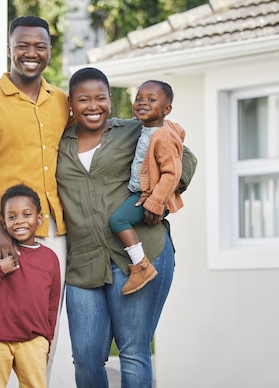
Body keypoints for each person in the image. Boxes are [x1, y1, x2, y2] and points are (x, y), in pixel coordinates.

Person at [0, 15, 73, 388]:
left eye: (40, 46)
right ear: (8, 49)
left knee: (41, 343)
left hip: (52, 234)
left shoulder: (61, 103)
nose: (31, 53)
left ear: (50, 52)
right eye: (22, 45)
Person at [56, 67, 175, 388]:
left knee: (134, 351)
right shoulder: (56, 145)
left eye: (101, 98)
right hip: (83, 263)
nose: (93, 106)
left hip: (139, 256)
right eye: (83, 99)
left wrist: (160, 198)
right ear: (71, 103)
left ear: (111, 100)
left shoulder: (134, 130)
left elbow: (182, 160)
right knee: (85, 357)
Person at [0, 184, 61, 388]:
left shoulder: (50, 259)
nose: (19, 221)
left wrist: (46, 342)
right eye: (12, 217)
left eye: (26, 214)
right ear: (3, 223)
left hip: (33, 340)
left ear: (39, 218)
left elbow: (52, 305)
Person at [108, 80, 185, 295]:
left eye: (151, 100)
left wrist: (155, 202)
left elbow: (172, 173)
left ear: (166, 109)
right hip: (145, 192)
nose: (142, 103)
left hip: (154, 197)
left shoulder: (163, 136)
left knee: (118, 220)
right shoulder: (150, 128)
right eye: (139, 98)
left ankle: (141, 265)